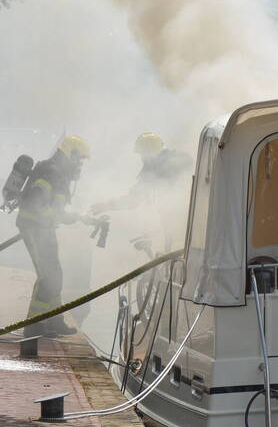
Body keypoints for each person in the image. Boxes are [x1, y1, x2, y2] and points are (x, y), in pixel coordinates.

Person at [15, 135, 91, 336]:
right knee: (48, 276)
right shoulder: (51, 173)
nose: (80, 164)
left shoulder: (58, 174)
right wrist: (52, 218)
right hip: (34, 227)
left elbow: (54, 209)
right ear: (69, 154)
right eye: (79, 159)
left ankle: (54, 320)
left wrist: (77, 217)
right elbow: (35, 203)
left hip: (43, 228)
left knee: (55, 274)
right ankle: (34, 326)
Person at [91, 132, 191, 253]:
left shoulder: (169, 166)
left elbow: (134, 200)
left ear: (150, 152)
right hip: (174, 227)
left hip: (185, 229)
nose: (142, 158)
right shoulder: (161, 166)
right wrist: (108, 205)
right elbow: (134, 199)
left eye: (142, 154)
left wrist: (107, 205)